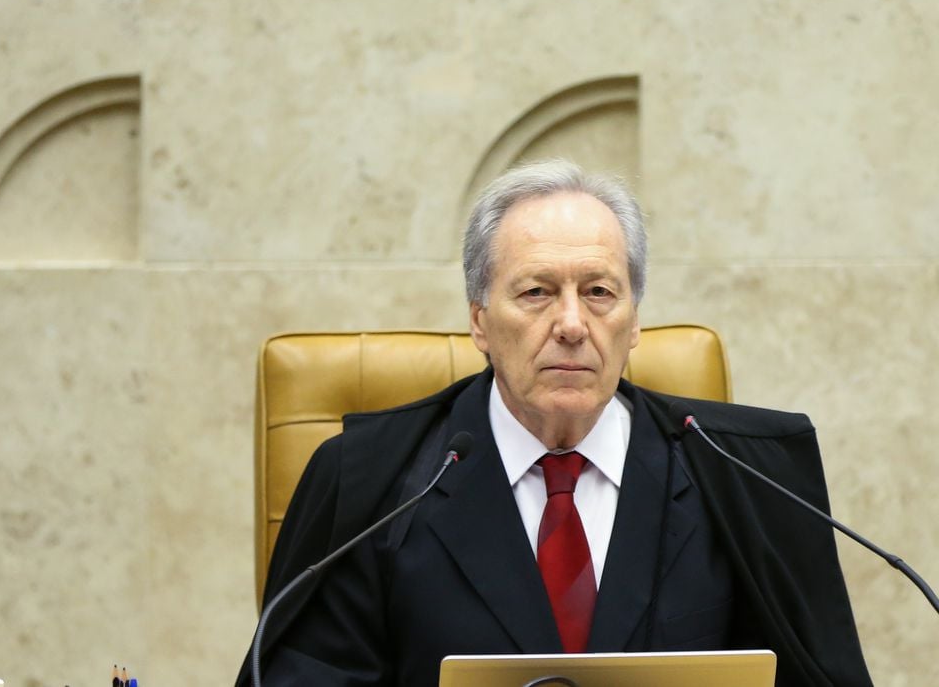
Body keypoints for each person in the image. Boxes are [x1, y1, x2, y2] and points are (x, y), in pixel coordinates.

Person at [237, 160, 873, 686]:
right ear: (480, 322)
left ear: (635, 322)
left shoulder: (744, 476)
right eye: (536, 292)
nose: (572, 324)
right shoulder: (368, 482)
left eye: (599, 292)